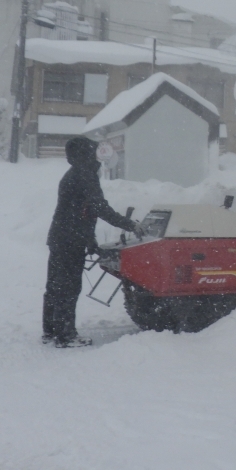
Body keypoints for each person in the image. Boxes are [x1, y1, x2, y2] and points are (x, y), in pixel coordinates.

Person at [42, 136, 142, 348]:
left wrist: (90, 239)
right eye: (93, 150)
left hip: (61, 237)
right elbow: (99, 208)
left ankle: (51, 330)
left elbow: (80, 212)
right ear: (86, 153)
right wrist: (130, 225)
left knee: (55, 285)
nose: (96, 154)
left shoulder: (74, 173)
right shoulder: (84, 174)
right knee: (68, 287)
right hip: (70, 240)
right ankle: (66, 336)